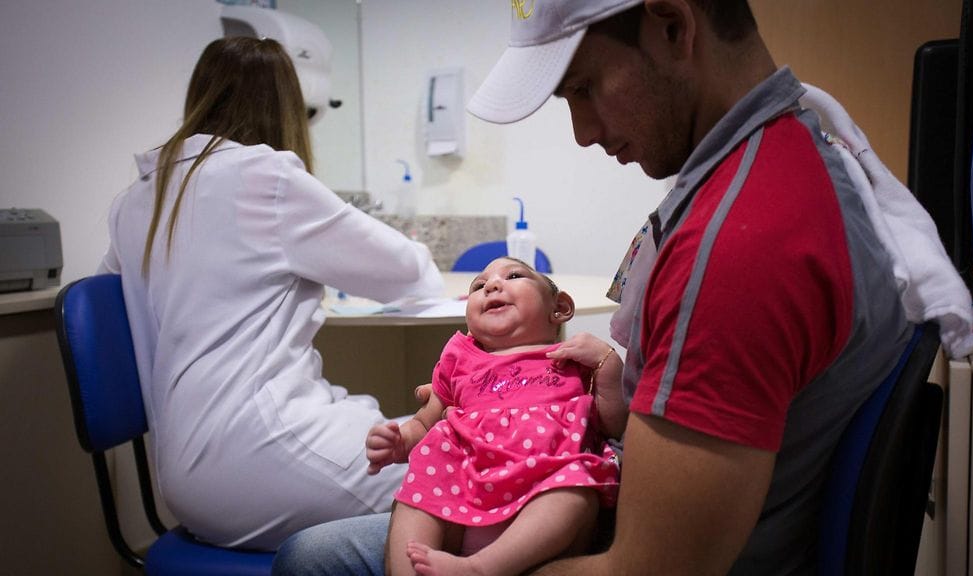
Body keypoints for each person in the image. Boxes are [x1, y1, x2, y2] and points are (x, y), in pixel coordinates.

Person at [272, 1, 913, 574]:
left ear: (671, 25)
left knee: (311, 561)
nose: (582, 130)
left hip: (642, 548)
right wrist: (626, 382)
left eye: (583, 88)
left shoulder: (735, 245)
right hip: (675, 512)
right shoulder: (801, 156)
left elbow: (649, 569)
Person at [98, 36, 443, 551]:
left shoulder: (133, 201)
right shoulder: (265, 176)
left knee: (392, 428)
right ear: (286, 107)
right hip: (259, 459)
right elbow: (410, 271)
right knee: (472, 471)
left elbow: (114, 304)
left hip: (181, 480)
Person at [366, 257, 623, 576]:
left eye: (514, 275)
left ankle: (479, 568)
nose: (492, 285)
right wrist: (401, 441)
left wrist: (608, 367)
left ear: (559, 308)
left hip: (543, 493)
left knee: (577, 489)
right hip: (464, 483)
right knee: (418, 487)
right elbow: (424, 422)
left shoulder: (575, 358)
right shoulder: (458, 358)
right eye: (478, 286)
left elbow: (613, 425)